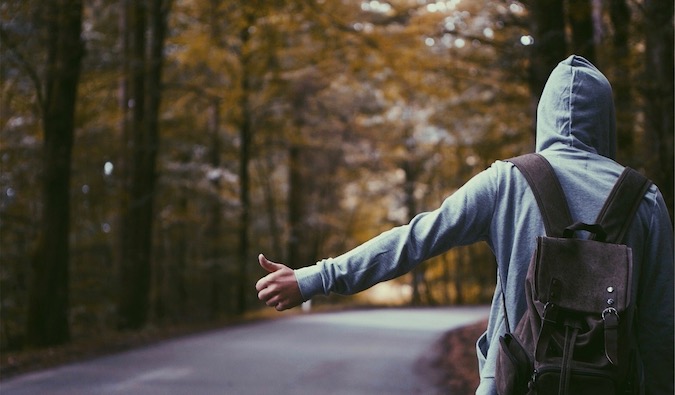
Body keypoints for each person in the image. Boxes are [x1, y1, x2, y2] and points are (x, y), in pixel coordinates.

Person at [255, 55, 674, 394]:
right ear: (607, 120)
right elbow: (661, 326)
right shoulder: (645, 199)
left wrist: (313, 278)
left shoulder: (508, 182)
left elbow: (414, 240)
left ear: (543, 116)